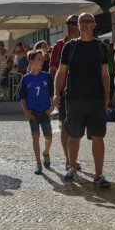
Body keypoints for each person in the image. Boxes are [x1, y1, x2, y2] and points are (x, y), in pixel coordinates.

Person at [53, 13, 111, 188]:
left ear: (94, 25)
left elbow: (104, 74)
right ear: (78, 25)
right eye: (81, 22)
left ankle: (99, 174)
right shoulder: (69, 47)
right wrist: (56, 93)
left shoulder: (101, 46)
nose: (84, 24)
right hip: (74, 98)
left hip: (96, 99)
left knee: (98, 136)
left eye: (88, 21)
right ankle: (71, 168)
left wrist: (107, 97)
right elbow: (61, 72)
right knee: (74, 136)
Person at [49, 14, 80, 171]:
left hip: (81, 91)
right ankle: (69, 160)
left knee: (77, 126)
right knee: (65, 125)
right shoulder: (58, 46)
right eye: (69, 23)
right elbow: (53, 69)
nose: (71, 25)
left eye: (74, 23)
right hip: (64, 91)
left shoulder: (84, 44)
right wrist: (56, 91)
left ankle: (73, 157)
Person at [20, 51, 53, 175]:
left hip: (45, 111)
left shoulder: (47, 76)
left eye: (42, 59)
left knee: (49, 137)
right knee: (35, 136)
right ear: (31, 62)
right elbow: (22, 97)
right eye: (39, 59)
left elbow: (53, 94)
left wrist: (52, 108)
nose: (42, 61)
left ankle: (46, 152)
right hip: (32, 112)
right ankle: (38, 164)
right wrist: (26, 112)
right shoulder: (26, 79)